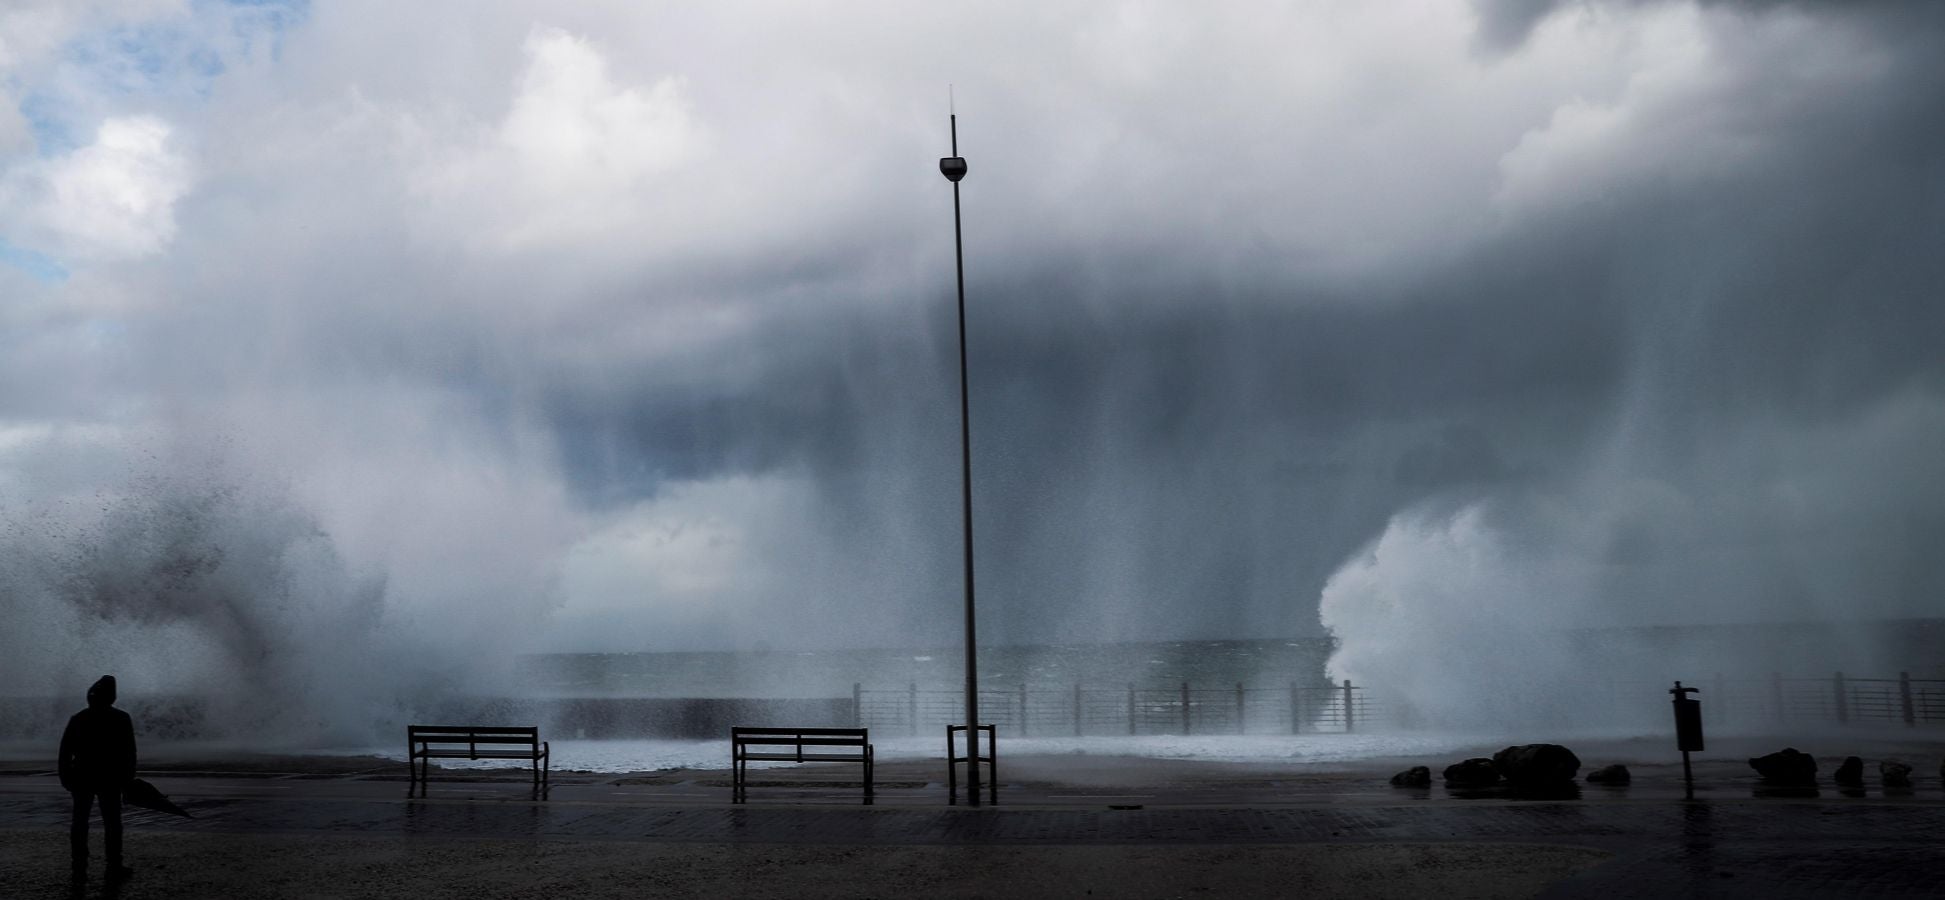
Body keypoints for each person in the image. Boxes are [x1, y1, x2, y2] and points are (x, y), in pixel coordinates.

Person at [59, 675, 137, 881]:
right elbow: (129, 752)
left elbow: (65, 750)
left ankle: (79, 859)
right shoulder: (121, 718)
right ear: (112, 697)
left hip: (81, 776)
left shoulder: (78, 718)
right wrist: (128, 778)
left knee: (80, 819)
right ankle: (114, 862)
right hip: (110, 777)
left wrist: (65, 776)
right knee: (112, 820)